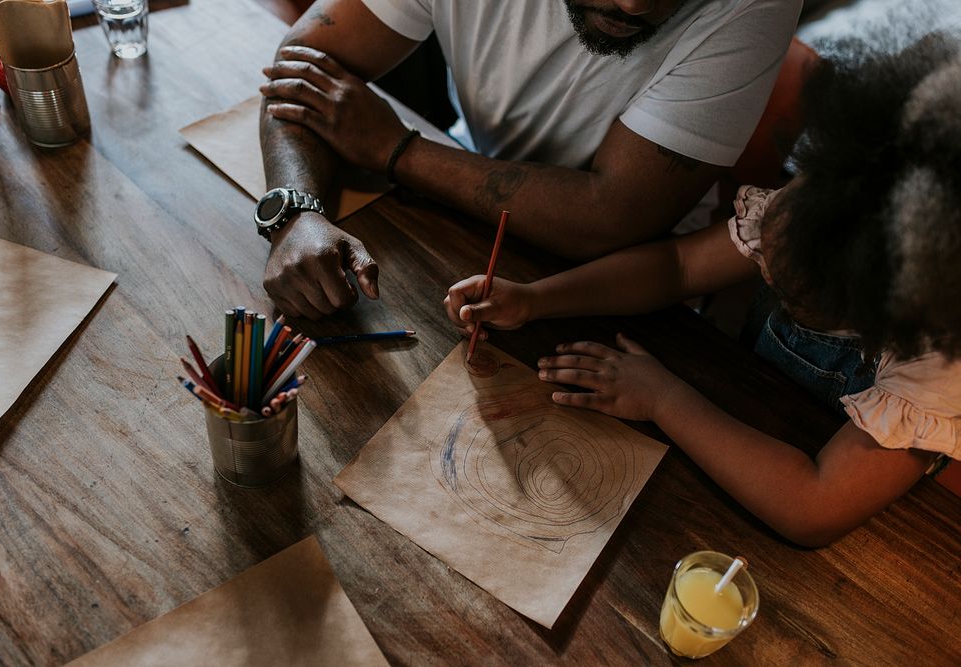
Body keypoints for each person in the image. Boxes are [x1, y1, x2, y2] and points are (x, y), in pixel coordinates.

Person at [443, 35, 961, 547]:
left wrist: (662, 398)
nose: (767, 279)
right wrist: (537, 298)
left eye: (795, 300)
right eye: (765, 266)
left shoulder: (939, 360)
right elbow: (676, 266)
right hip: (747, 421)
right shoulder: (831, 203)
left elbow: (812, 505)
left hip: (843, 515)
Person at [257, 0, 802, 319]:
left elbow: (611, 216)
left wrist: (396, 149)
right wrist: (297, 215)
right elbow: (308, 64)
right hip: (457, 192)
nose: (634, 4)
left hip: (624, 280)